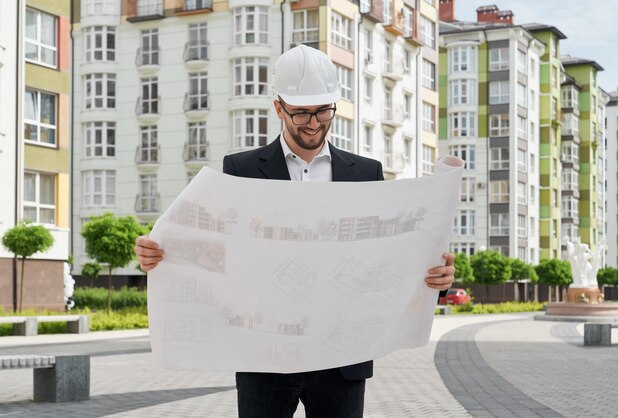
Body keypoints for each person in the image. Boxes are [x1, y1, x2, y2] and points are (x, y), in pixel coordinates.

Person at [135, 45, 455, 418]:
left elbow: (387, 255)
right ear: (279, 108)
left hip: (342, 358)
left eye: (323, 111)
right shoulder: (240, 169)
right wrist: (162, 253)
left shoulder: (365, 172)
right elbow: (218, 249)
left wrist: (438, 277)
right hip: (265, 356)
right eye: (301, 112)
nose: (314, 123)